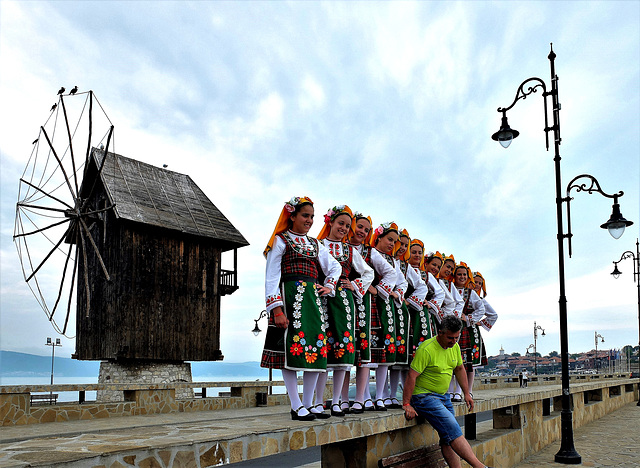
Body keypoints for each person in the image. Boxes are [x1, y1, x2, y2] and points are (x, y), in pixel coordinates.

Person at [261, 196, 342, 420]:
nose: (309, 220)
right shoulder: (281, 240)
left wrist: (329, 285)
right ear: (292, 216)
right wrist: (276, 309)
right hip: (289, 297)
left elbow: (334, 267)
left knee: (315, 348)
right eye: (305, 215)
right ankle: (296, 404)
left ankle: (308, 404)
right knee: (291, 348)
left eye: (312, 217)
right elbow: (271, 277)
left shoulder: (315, 244)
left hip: (312, 300)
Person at [403, 316, 493, 468]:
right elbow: (411, 376)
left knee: (447, 437)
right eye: (450, 338)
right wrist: (406, 403)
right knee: (452, 429)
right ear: (440, 333)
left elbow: (459, 369)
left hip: (443, 397)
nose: (453, 341)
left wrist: (466, 393)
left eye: (456, 338)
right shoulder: (426, 349)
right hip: (424, 397)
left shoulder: (455, 347)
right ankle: (480, 467)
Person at [314, 205, 374, 416]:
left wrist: (355, 285)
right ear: (330, 222)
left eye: (347, 226)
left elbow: (369, 273)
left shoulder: (350, 251)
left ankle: (338, 400)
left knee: (342, 349)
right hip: (321, 298)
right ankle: (318, 401)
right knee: (322, 349)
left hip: (344, 302)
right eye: (341, 223)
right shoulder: (318, 244)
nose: (344, 228)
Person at [385, 232, 427, 409]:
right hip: (385, 306)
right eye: (399, 243)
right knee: (390, 356)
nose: (401, 247)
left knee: (402, 357)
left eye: (404, 245)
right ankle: (388, 395)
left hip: (401, 311)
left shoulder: (404, 266)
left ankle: (397, 395)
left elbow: (422, 287)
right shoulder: (383, 258)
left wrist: (407, 300)